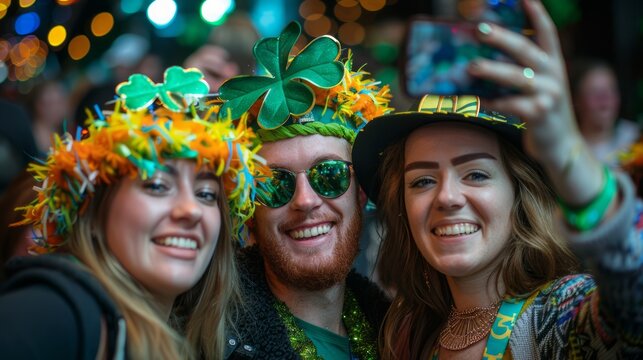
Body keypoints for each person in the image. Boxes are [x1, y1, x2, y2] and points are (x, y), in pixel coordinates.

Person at [351, 1, 643, 359]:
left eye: (475, 174)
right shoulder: (404, 330)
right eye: (423, 181)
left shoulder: (558, 315)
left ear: (520, 193)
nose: (447, 197)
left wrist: (568, 153)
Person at [0, 66, 263, 359]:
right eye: (157, 186)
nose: (191, 210)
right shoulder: (56, 311)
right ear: (95, 216)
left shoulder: (202, 340)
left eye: (206, 194)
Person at [216, 21, 393, 359]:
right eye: (275, 182)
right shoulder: (208, 338)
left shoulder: (404, 336)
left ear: (361, 193)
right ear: (249, 209)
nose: (305, 200)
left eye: (329, 174)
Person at [570, 57, 640, 167]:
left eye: (611, 90)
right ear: (576, 101)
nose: (605, 98)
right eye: (594, 92)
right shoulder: (567, 147)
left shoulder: (635, 138)